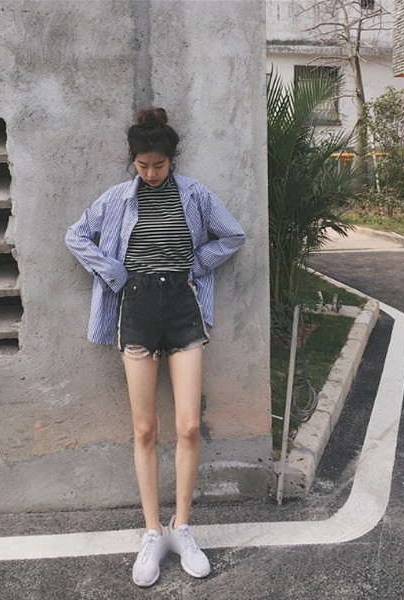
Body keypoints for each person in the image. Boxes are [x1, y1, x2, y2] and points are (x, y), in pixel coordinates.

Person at [65, 107, 245, 587]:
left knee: (188, 426)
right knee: (144, 429)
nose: (150, 173)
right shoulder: (118, 198)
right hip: (137, 309)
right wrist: (113, 272)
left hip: (183, 308)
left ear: (171, 159)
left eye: (158, 165)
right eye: (142, 165)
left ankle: (181, 528)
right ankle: (151, 532)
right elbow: (75, 236)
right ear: (134, 161)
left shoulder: (195, 195)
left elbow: (233, 234)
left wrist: (197, 265)